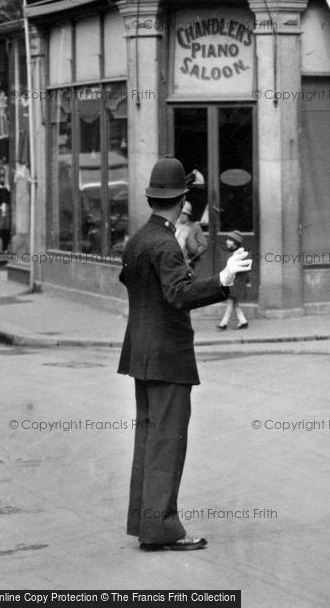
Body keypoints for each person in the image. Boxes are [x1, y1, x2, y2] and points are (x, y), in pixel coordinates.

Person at [118, 156, 252, 551]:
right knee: (168, 442)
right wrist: (224, 279)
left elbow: (133, 282)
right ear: (180, 200)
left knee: (149, 440)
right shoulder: (166, 244)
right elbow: (178, 294)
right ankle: (160, 529)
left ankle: (145, 524)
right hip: (169, 357)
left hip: (141, 355)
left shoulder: (137, 241)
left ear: (151, 199)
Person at [217, 230, 251, 330]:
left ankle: (223, 323)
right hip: (233, 281)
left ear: (235, 243)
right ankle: (243, 321)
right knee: (234, 302)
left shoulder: (239, 254)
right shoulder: (234, 253)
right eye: (228, 239)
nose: (227, 242)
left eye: (230, 240)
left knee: (230, 302)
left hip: (236, 282)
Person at [175, 200, 208, 268]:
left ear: (189, 215)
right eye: (181, 213)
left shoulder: (195, 227)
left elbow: (204, 245)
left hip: (189, 262)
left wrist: (192, 257)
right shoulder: (173, 225)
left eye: (185, 213)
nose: (182, 215)